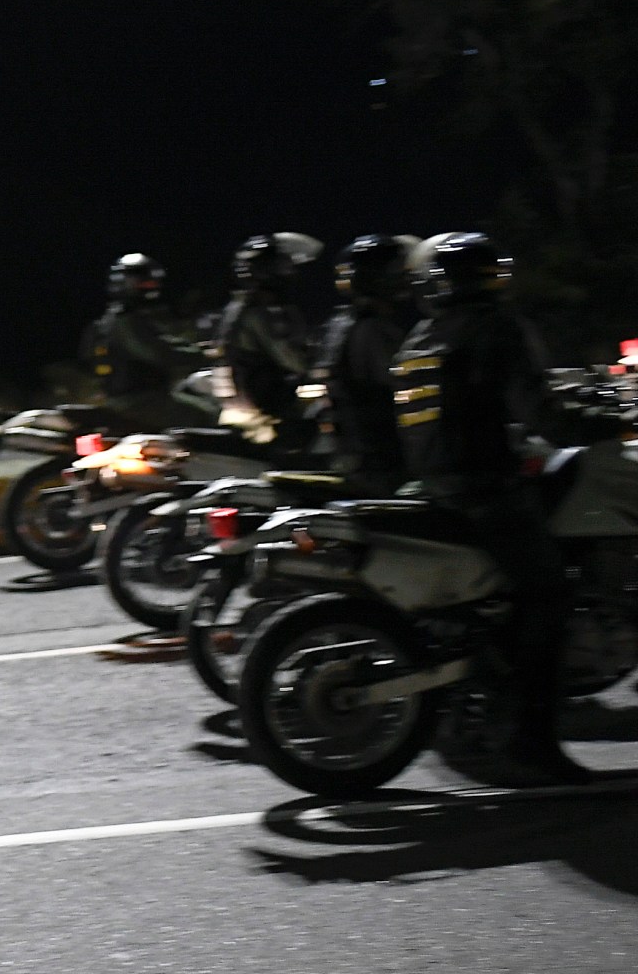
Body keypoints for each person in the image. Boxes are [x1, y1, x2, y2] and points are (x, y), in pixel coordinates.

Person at [390, 231, 585, 782]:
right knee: (549, 596)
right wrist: (603, 421)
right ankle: (531, 738)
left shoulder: (420, 337)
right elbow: (543, 416)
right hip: (484, 491)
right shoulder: (494, 328)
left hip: (433, 486)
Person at [313, 235, 422, 496]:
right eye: (396, 271)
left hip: (356, 451)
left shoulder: (342, 323)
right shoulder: (373, 328)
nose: (404, 276)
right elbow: (403, 384)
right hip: (382, 458)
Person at [77, 254, 209, 430]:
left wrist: (196, 349)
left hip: (131, 399)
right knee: (211, 415)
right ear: (124, 284)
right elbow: (160, 353)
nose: (151, 286)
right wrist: (205, 356)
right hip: (140, 402)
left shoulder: (115, 319)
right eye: (143, 282)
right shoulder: (125, 320)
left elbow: (162, 343)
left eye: (152, 282)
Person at [217, 233, 324, 444]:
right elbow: (294, 361)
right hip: (264, 409)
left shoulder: (238, 306)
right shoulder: (260, 313)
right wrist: (322, 363)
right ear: (268, 270)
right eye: (282, 265)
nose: (289, 270)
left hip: (242, 403)